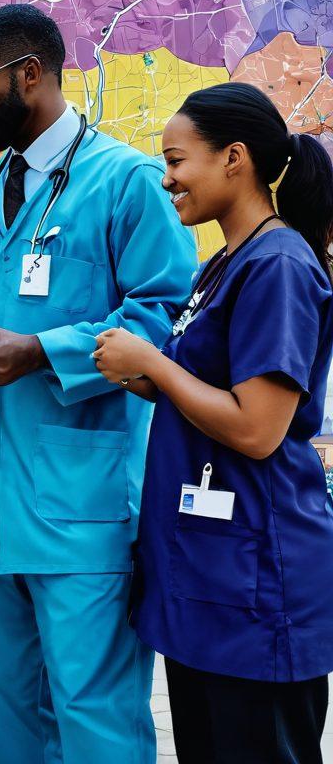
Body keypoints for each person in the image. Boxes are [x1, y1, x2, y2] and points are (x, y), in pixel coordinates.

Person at [0, 4, 196, 763]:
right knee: (9, 707)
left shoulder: (127, 182)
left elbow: (167, 316)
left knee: (93, 713)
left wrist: (42, 351)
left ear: (30, 74)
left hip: (79, 506)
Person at [94, 82, 333, 764]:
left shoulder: (278, 265)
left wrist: (156, 367)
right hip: (206, 571)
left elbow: (257, 428)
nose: (165, 178)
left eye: (176, 160)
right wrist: (136, 370)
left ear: (235, 158)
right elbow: (201, 385)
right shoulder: (221, 264)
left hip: (257, 574)